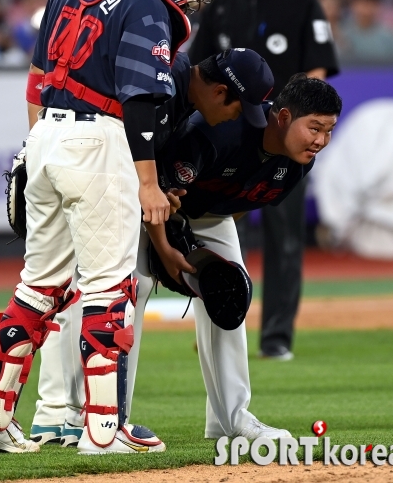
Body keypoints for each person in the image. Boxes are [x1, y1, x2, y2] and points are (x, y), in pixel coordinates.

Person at [0, 0, 225, 455]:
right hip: (100, 140)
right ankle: (103, 430)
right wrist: (149, 182)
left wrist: (39, 141)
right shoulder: (149, 7)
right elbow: (141, 101)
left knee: (39, 286)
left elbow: (36, 77)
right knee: (110, 288)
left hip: (46, 137)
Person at [29, 47, 275, 447]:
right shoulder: (165, 82)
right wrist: (160, 235)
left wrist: (160, 191)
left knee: (78, 286)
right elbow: (124, 142)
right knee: (104, 288)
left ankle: (63, 416)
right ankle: (87, 419)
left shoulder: (179, 89)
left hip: (76, 156)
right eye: (238, 108)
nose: (237, 118)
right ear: (218, 92)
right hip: (87, 164)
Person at [130, 70, 342, 441]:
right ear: (283, 117)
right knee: (133, 291)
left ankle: (232, 420)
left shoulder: (299, 160)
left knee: (230, 295)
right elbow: (155, 188)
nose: (321, 141)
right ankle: (109, 418)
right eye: (315, 128)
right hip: (148, 204)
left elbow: (244, 203)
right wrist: (166, 249)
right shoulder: (218, 132)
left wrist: (206, 254)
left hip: (211, 214)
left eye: (329, 131)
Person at [188, 0, 339, 361]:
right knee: (221, 234)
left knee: (285, 238)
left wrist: (299, 131)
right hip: (232, 142)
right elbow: (199, 75)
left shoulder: (301, 2)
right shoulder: (220, 4)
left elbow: (318, 74)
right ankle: (219, 320)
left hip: (283, 144)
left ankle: (276, 336)